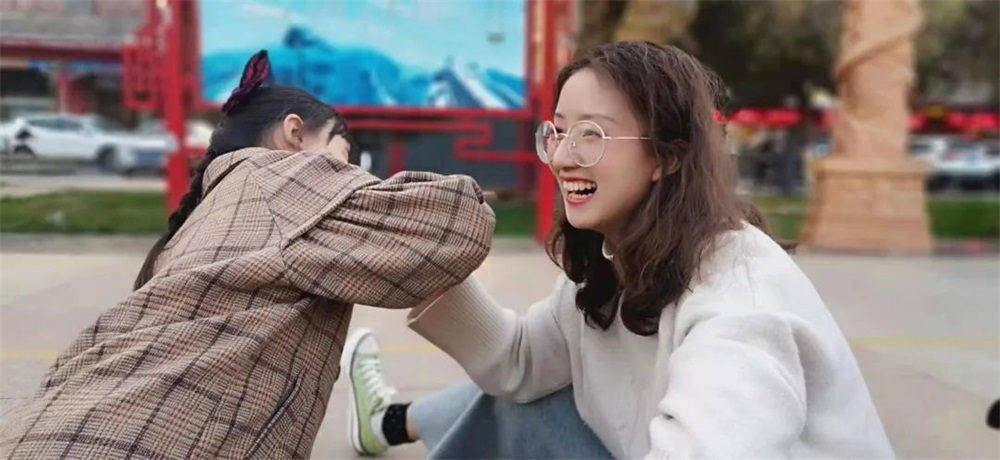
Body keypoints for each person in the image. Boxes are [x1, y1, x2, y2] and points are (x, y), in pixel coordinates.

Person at [341, 41, 894, 459]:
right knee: (533, 406)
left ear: (668, 157)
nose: (563, 158)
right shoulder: (618, 259)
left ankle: (386, 423)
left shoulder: (741, 301)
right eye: (558, 132)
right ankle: (386, 423)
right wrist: (428, 268)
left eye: (593, 135)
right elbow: (522, 364)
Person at [0, 50, 494, 459]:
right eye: (343, 160)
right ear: (295, 134)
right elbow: (456, 226)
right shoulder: (283, 175)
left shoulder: (196, 225)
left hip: (49, 431)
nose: (353, 179)